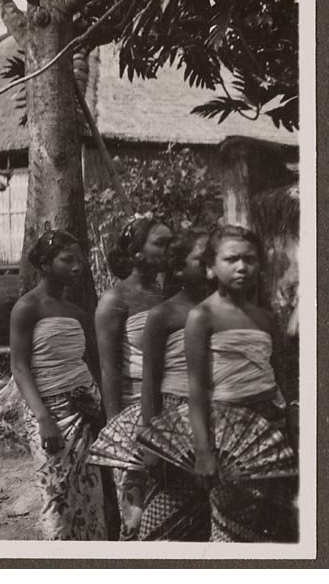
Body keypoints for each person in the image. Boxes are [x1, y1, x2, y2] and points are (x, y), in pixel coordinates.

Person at [184, 225, 297, 542]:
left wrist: (289, 417)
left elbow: (276, 374)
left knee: (273, 522)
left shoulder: (264, 317)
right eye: (231, 259)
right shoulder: (202, 316)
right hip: (229, 432)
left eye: (250, 259)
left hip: (270, 427)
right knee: (232, 525)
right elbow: (198, 389)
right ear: (210, 267)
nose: (242, 266)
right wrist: (203, 451)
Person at [9, 229, 107, 541]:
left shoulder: (77, 313)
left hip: (84, 413)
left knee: (88, 497)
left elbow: (88, 363)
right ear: (46, 264)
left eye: (81, 261)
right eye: (68, 260)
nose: (77, 267)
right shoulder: (28, 307)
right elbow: (20, 367)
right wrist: (44, 419)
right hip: (49, 413)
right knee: (56, 497)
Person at [94, 216, 172, 539]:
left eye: (172, 242)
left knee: (165, 502)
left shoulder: (167, 294)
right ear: (136, 253)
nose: (169, 250)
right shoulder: (116, 300)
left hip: (168, 405)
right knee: (136, 512)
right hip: (131, 412)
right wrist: (119, 433)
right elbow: (109, 370)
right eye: (161, 243)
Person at [135, 228, 212, 541]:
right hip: (175, 423)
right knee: (167, 518)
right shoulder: (163, 315)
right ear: (179, 268)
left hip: (218, 417)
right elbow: (150, 381)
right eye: (203, 258)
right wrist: (151, 443)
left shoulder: (225, 310)